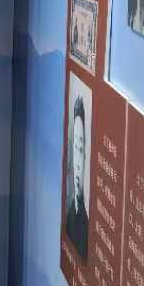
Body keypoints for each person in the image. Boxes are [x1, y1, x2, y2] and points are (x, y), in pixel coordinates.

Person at [64, 93, 90, 259]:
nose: (77, 164)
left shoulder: (88, 229)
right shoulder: (68, 216)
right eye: (75, 147)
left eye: (80, 149)